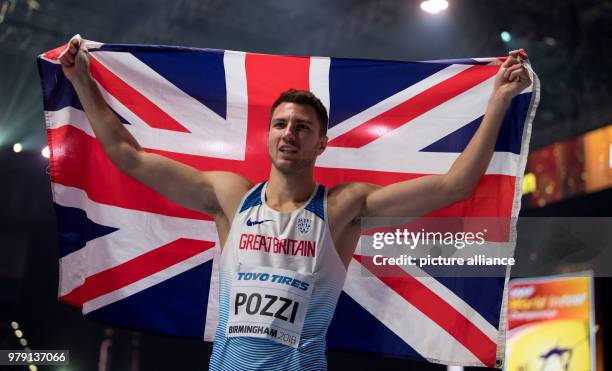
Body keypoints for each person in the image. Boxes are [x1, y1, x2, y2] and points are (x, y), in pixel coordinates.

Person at [59, 35, 531, 371]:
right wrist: (82, 82)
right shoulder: (229, 199)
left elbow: (454, 186)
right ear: (267, 136)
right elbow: (129, 156)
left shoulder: (343, 207)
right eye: (281, 124)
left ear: (321, 143)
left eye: (302, 127)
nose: (289, 134)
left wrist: (498, 104)